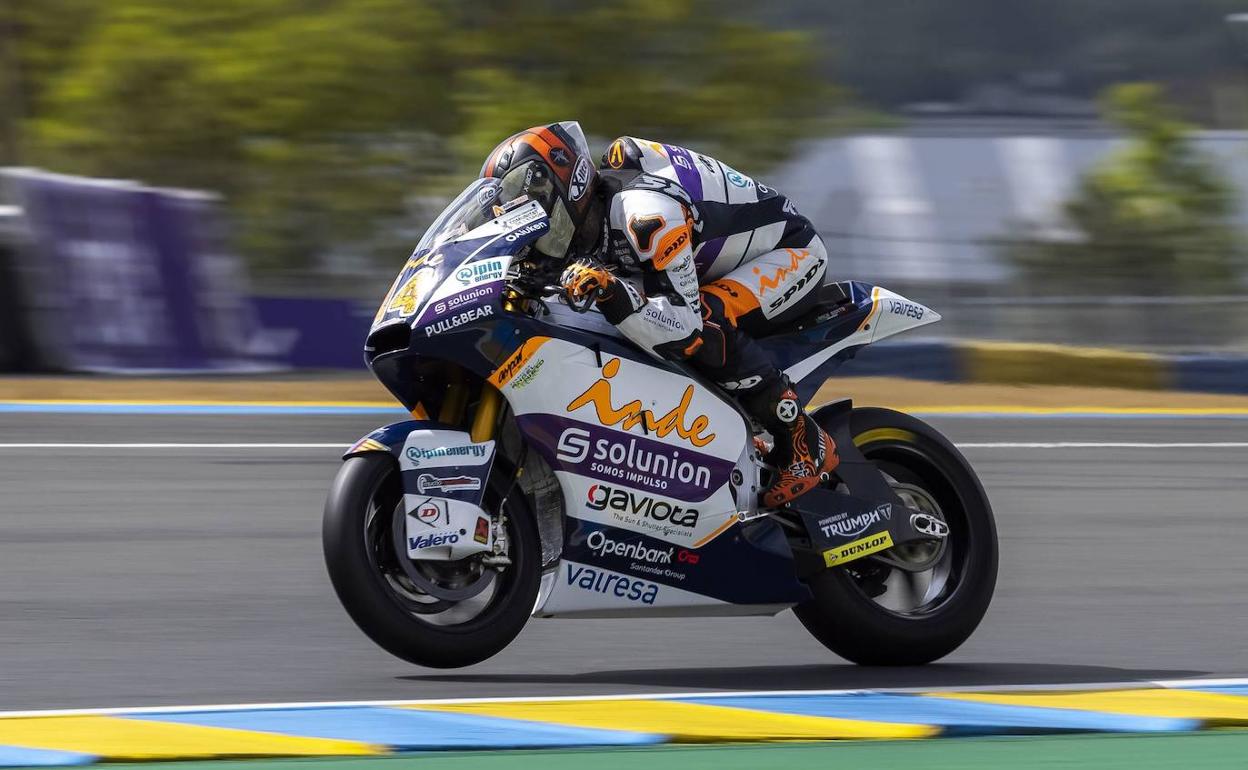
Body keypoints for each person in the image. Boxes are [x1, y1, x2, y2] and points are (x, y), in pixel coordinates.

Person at [480, 121, 838, 507]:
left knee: (705, 322)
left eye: (534, 205)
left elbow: (683, 326)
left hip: (790, 254)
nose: (532, 223)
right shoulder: (589, 221)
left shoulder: (644, 216)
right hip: (709, 267)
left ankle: (801, 440)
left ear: (570, 185)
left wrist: (612, 291)